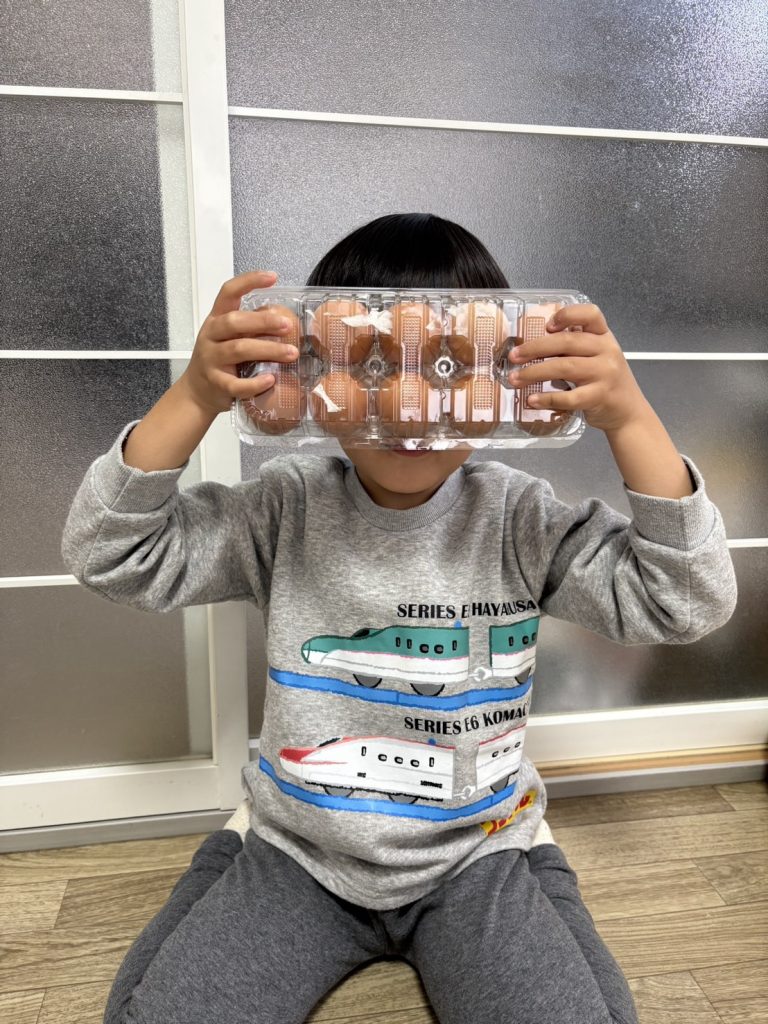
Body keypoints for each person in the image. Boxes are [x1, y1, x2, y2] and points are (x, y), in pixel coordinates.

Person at [61, 213, 737, 1024]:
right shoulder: (284, 509)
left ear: (503, 381)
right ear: (310, 372)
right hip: (302, 853)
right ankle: (240, 840)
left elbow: (685, 598)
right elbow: (111, 554)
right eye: (373, 364)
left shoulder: (521, 518)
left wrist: (629, 418)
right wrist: (196, 396)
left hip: (477, 852)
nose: (413, 406)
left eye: (453, 366)